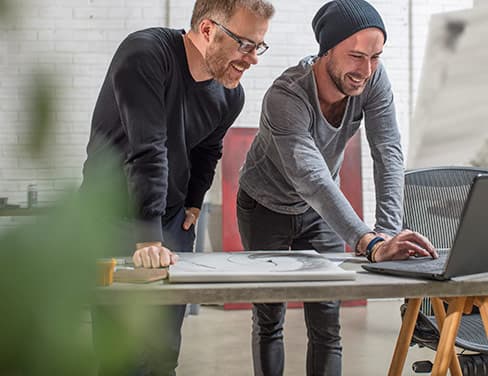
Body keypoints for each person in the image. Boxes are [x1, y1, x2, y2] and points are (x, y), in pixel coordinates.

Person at [236, 0, 438, 375]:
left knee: (328, 323)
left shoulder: (374, 80)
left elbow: (388, 152)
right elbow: (312, 178)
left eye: (375, 56)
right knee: (269, 317)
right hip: (265, 207)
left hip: (319, 214)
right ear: (326, 50)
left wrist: (387, 233)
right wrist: (369, 242)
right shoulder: (285, 97)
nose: (365, 70)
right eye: (356, 56)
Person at [81, 1, 274, 375]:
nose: (252, 59)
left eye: (258, 46)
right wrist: (148, 237)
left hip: (170, 222)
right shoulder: (145, 55)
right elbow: (148, 149)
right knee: (121, 355)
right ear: (207, 30)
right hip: (110, 217)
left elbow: (207, 150)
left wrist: (194, 203)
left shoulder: (230, 94)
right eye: (244, 45)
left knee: (164, 350)